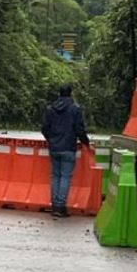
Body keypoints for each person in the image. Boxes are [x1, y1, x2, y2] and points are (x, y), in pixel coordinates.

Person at [41, 84, 90, 218]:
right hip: (68, 147)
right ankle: (61, 207)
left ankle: (55, 205)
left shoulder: (50, 109)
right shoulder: (75, 109)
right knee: (65, 177)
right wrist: (86, 143)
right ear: (71, 94)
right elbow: (79, 129)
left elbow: (44, 128)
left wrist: (51, 139)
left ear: (59, 93)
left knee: (55, 176)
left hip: (54, 148)